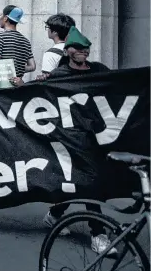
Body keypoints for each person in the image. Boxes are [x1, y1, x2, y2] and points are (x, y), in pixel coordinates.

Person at [42, 26, 116, 255]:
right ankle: (98, 233)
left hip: (96, 136)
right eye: (78, 47)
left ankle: (55, 214)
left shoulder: (100, 70)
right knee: (90, 182)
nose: (83, 51)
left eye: (86, 47)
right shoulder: (59, 75)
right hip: (69, 137)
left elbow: (117, 88)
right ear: (68, 51)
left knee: (79, 181)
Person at [0, 5, 36, 85]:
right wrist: (17, 69)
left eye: (1, 16)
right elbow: (32, 66)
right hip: (19, 85)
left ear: (5, 18)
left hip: (3, 84)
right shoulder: (26, 41)